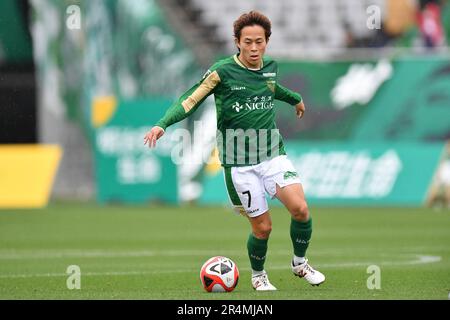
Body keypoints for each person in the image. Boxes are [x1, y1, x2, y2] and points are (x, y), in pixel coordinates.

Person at [144, 11, 325, 291]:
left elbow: (270, 88)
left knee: (301, 209)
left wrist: (296, 99)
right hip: (239, 163)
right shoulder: (222, 71)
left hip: (273, 154)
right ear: (237, 42)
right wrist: (163, 124)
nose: (254, 48)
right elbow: (190, 99)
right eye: (248, 42)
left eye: (260, 42)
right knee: (263, 228)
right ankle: (258, 276)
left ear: (267, 42)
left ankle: (300, 263)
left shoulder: (269, 67)